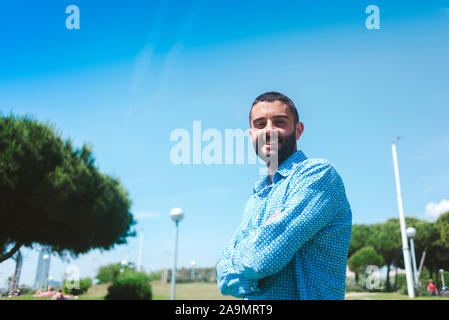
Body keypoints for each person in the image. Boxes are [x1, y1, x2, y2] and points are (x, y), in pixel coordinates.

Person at [216, 92, 352, 300]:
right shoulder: (255, 199)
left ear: (298, 130)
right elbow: (222, 277)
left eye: (279, 122)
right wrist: (256, 270)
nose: (269, 130)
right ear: (251, 134)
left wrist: (250, 268)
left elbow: (260, 260)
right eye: (260, 124)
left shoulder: (318, 175)